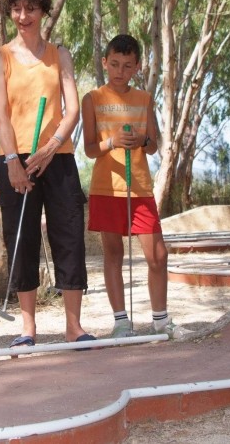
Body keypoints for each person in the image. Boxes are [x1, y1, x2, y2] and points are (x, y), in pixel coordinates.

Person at [0, 0, 93, 348]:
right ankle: (27, 328)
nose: (23, 16)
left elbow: (73, 107)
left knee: (68, 235)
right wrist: (14, 160)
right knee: (23, 240)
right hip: (16, 159)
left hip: (58, 156)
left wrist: (53, 145)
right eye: (15, 8)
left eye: (30, 8)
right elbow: (1, 113)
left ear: (43, 11)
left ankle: (73, 327)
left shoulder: (58, 54)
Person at [82, 34, 184, 339]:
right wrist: (111, 141)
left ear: (137, 67)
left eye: (127, 66)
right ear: (104, 63)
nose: (119, 71)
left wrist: (141, 140)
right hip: (106, 187)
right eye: (114, 64)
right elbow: (88, 148)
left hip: (139, 188)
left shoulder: (144, 99)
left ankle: (160, 320)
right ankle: (121, 322)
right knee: (113, 254)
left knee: (158, 255)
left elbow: (153, 146)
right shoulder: (93, 99)